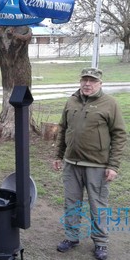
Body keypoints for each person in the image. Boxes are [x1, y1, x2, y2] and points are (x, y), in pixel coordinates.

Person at [52, 68, 127, 260]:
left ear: (100, 83)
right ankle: (71, 237)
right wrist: (58, 155)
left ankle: (100, 242)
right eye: (84, 80)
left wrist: (113, 166)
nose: (87, 84)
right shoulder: (71, 101)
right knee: (71, 203)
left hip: (97, 165)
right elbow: (63, 129)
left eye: (92, 81)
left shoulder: (110, 104)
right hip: (71, 163)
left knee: (98, 205)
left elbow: (119, 135)